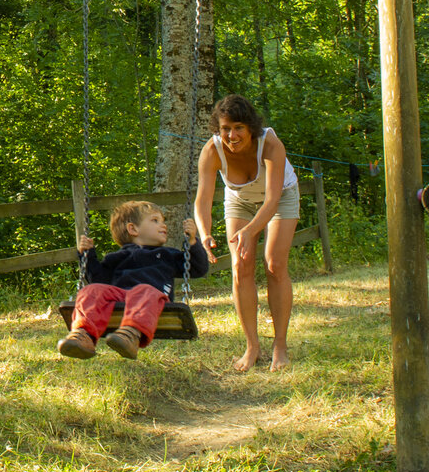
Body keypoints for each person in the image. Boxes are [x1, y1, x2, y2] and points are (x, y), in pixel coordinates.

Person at [193, 94, 300, 372]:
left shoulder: (271, 144)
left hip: (280, 197)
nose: (232, 135)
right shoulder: (212, 150)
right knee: (241, 266)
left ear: (251, 128)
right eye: (226, 128)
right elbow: (202, 200)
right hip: (239, 199)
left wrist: (250, 231)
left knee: (274, 264)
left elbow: (273, 200)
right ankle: (252, 346)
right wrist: (204, 234)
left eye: (239, 127)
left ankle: (280, 345)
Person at [58, 200, 209, 360]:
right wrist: (87, 256)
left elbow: (198, 268)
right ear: (133, 229)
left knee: (144, 290)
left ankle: (130, 335)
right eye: (155, 220)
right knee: (90, 290)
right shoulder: (117, 257)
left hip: (152, 299)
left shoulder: (168, 255)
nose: (163, 225)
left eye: (163, 221)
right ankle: (83, 336)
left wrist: (192, 242)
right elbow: (98, 279)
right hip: (120, 299)